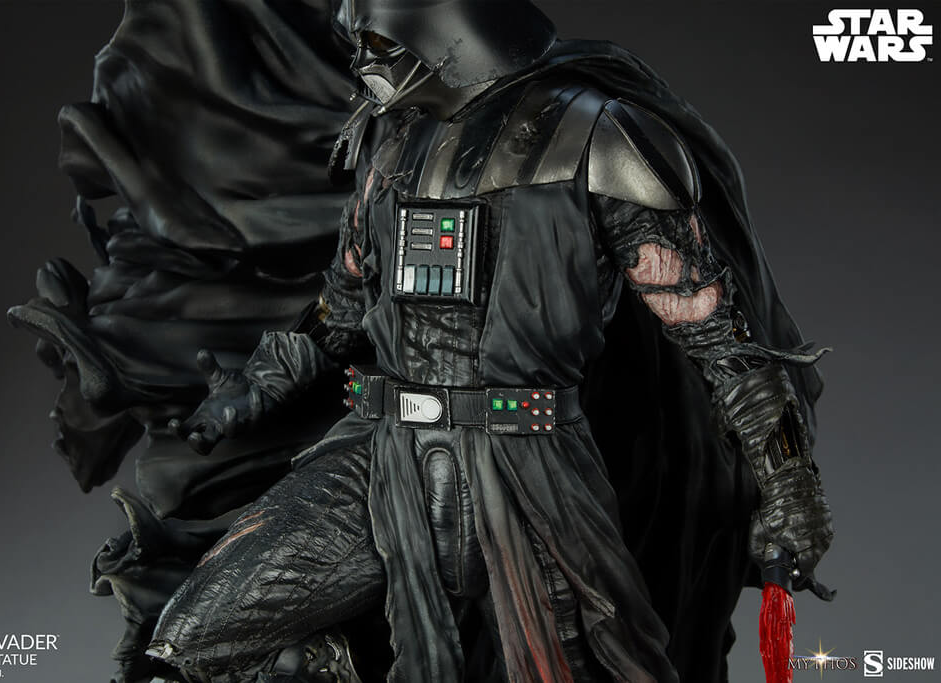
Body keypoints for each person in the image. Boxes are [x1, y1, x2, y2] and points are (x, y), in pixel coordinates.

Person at [148, 1, 834, 681]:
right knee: (193, 644)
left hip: (529, 475)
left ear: (448, 30)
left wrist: (790, 486)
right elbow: (344, 307)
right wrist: (258, 386)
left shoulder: (596, 140)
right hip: (383, 461)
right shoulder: (394, 148)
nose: (360, 65)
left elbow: (722, 341)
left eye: (378, 45)